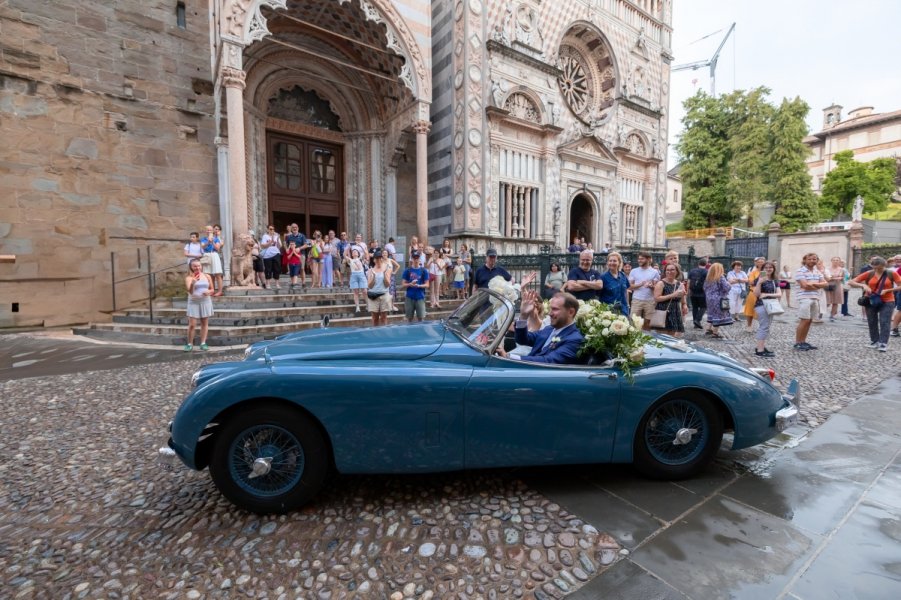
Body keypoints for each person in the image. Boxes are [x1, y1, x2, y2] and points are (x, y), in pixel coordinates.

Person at [495, 291, 584, 364]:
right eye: (550, 309)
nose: (550, 313)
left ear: (571, 312)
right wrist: (523, 316)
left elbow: (548, 361)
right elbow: (522, 339)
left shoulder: (575, 339)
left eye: (555, 309)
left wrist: (508, 357)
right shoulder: (548, 329)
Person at [849, 256, 901, 352]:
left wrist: (888, 290)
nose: (877, 269)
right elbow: (851, 282)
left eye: (879, 268)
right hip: (871, 300)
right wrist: (863, 285)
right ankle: (874, 341)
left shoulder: (891, 273)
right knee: (872, 321)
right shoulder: (869, 273)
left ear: (884, 265)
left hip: (888, 300)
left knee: (884, 321)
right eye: (874, 267)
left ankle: (883, 343)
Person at [794, 253, 828, 351]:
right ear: (805, 260)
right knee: (804, 320)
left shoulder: (817, 271)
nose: (812, 261)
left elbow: (826, 284)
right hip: (804, 298)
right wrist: (818, 285)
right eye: (810, 259)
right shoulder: (800, 271)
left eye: (814, 259)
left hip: (815, 297)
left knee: (809, 321)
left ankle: (803, 341)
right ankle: (797, 343)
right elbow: (805, 286)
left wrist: (812, 284)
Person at [751, 261, 782, 357]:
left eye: (770, 267)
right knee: (764, 327)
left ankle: (761, 347)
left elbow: (779, 294)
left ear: (773, 269)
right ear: (763, 269)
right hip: (761, 305)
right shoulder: (758, 279)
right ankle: (760, 350)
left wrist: (767, 294)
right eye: (766, 267)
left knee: (766, 327)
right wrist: (760, 282)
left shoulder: (774, 280)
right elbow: (756, 294)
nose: (768, 269)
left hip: (771, 305)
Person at [184, 258, 214, 351]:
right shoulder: (189, 278)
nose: (197, 267)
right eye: (195, 266)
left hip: (205, 301)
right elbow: (190, 291)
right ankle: (189, 344)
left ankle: (203, 343)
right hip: (193, 302)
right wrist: (193, 283)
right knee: (192, 324)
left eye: (199, 265)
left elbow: (212, 289)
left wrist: (209, 292)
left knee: (204, 323)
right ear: (191, 267)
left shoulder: (207, 276)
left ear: (201, 266)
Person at [652, 262, 688, 337]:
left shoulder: (679, 284)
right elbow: (656, 298)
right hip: (664, 311)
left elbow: (683, 299)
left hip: (675, 312)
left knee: (672, 336)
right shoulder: (661, 283)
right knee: (663, 337)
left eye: (672, 270)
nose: (669, 272)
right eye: (667, 270)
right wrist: (673, 295)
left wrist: (684, 305)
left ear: (677, 271)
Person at [628, 251, 660, 330]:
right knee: (633, 322)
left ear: (648, 259)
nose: (639, 260)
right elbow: (629, 287)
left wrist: (651, 286)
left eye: (642, 259)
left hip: (650, 301)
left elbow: (656, 288)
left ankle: (646, 339)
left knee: (648, 323)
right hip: (636, 300)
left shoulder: (655, 272)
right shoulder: (634, 271)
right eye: (638, 259)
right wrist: (640, 284)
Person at [703, 262, 733, 338]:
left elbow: (704, 288)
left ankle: (708, 329)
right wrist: (729, 283)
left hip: (709, 299)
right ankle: (715, 332)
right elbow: (726, 287)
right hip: (719, 299)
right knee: (719, 315)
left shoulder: (708, 278)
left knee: (711, 313)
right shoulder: (720, 277)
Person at [366, 249, 392, 326]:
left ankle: (384, 334)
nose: (378, 260)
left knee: (384, 317)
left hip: (384, 294)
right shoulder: (370, 270)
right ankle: (375, 334)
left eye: (380, 258)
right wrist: (373, 277)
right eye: (376, 258)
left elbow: (387, 284)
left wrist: (384, 275)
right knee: (374, 318)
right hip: (373, 295)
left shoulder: (387, 268)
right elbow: (369, 286)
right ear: (374, 260)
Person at [402, 250, 429, 322]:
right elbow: (403, 284)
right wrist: (410, 284)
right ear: (412, 259)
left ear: (420, 259)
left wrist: (419, 286)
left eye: (417, 258)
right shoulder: (407, 270)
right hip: (409, 297)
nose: (416, 260)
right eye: (414, 258)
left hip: (420, 296)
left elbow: (427, 284)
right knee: (409, 318)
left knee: (421, 318)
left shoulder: (424, 271)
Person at [742, 257, 766, 330]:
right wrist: (760, 277)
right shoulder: (753, 272)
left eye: (762, 262)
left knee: (763, 311)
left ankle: (762, 327)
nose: (761, 263)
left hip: (763, 293)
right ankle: (749, 326)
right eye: (759, 262)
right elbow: (751, 282)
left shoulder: (767, 272)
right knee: (750, 310)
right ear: (756, 263)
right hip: (753, 293)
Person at [687, 258, 709, 329]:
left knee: (695, 307)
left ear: (698, 263)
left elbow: (688, 281)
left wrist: (688, 290)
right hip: (702, 292)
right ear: (706, 264)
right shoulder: (706, 271)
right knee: (704, 307)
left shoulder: (692, 271)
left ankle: (695, 324)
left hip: (693, 292)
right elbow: (707, 283)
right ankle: (697, 320)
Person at [285, 223, 309, 288]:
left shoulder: (302, 236)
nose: (294, 228)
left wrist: (299, 248)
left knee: (302, 268)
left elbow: (306, 245)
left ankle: (303, 282)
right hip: (292, 256)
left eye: (296, 227)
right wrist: (287, 249)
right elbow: (286, 245)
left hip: (301, 255)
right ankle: (293, 282)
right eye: (293, 227)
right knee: (292, 269)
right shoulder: (289, 237)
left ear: (298, 228)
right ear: (291, 229)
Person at [260, 225, 282, 290]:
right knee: (268, 269)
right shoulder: (265, 236)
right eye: (270, 229)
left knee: (277, 269)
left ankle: (277, 284)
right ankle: (268, 283)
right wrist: (270, 242)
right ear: (267, 229)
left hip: (276, 253)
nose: (272, 230)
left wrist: (277, 239)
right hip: (267, 255)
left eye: (273, 229)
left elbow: (280, 246)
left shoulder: (276, 236)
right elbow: (262, 246)